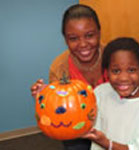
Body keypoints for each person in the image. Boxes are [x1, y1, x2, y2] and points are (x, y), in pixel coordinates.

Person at [30, 4, 106, 150]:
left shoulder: (114, 57)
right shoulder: (59, 67)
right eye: (73, 38)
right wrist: (46, 98)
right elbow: (58, 112)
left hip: (112, 126)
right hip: (76, 132)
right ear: (65, 39)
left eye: (89, 35)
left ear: (99, 33)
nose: (83, 44)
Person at [83, 37, 139, 150]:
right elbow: (85, 118)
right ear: (107, 72)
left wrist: (107, 143)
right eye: (116, 71)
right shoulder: (101, 92)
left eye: (131, 70)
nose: (124, 78)